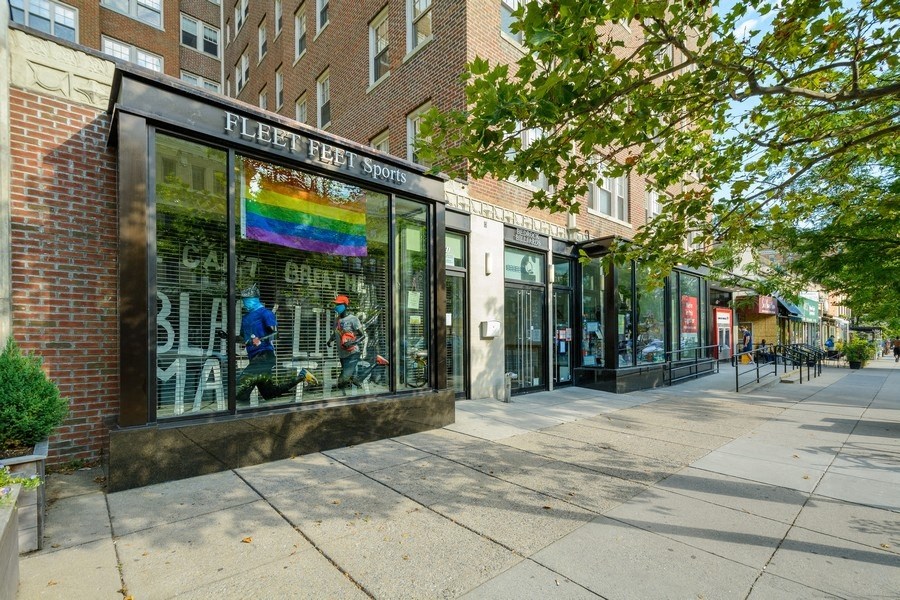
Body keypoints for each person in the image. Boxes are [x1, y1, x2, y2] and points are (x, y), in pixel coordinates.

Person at [222, 284, 317, 404]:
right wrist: (228, 337)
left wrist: (260, 339)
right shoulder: (245, 318)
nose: (245, 303)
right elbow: (243, 338)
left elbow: (276, 333)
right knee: (269, 393)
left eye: (247, 300)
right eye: (243, 300)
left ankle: (238, 416)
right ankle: (302, 376)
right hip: (254, 358)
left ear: (255, 299)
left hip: (265, 356)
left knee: (238, 389)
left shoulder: (265, 314)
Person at [331, 294, 366, 391]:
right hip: (342, 355)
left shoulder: (353, 319)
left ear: (345, 306)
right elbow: (336, 333)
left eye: (339, 304)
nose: (336, 306)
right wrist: (330, 340)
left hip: (352, 353)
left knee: (342, 382)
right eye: (336, 304)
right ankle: (360, 390)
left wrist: (352, 343)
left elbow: (362, 336)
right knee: (350, 377)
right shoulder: (336, 320)